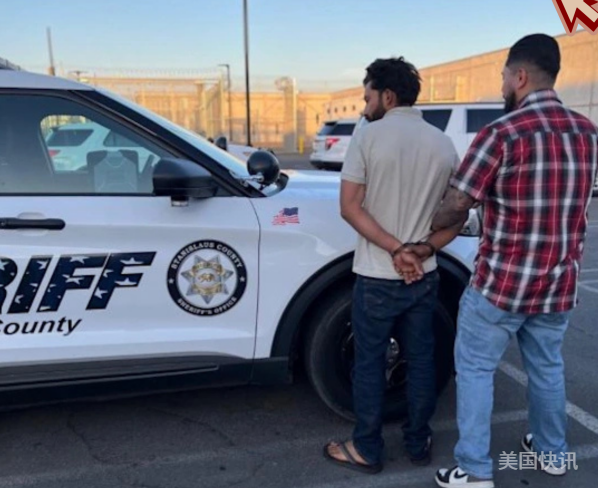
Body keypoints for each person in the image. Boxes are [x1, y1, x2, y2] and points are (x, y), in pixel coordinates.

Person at [432, 34, 598, 488]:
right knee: (546, 368)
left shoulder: (501, 133)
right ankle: (552, 453)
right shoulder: (587, 132)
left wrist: (428, 228)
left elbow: (457, 203)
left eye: (505, 76)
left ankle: (474, 469)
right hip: (558, 282)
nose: (503, 84)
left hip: (501, 285)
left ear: (520, 76)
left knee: (476, 369)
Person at [323, 56, 465, 474]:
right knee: (421, 360)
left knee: (369, 362)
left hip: (377, 276)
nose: (364, 106)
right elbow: (456, 215)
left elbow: (350, 207)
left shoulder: (368, 137)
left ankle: (367, 447)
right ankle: (419, 443)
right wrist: (420, 250)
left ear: (387, 96)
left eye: (367, 97)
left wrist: (396, 249)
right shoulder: (443, 144)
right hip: (424, 275)